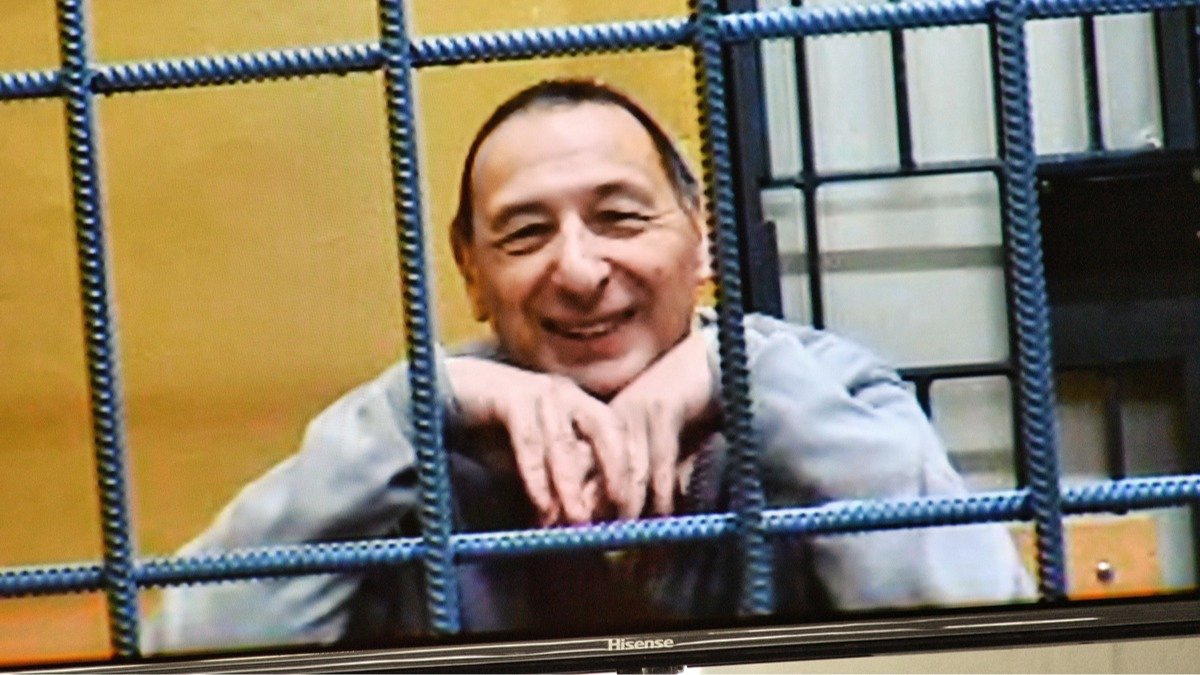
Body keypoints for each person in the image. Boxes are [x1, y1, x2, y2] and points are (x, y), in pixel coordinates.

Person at [144, 78, 1033, 653]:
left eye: (620, 218)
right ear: (471, 273)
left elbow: (984, 635)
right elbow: (190, 644)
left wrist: (746, 375)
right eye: (525, 234)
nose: (576, 270)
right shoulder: (414, 442)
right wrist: (417, 405)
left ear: (702, 239)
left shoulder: (821, 384)